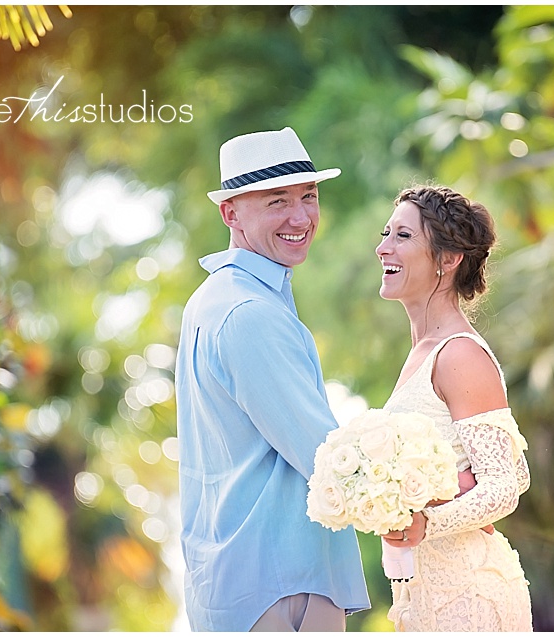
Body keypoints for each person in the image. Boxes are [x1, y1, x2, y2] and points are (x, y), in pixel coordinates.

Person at [174, 127, 370, 631]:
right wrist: (426, 496)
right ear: (231, 214)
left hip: (250, 583)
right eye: (277, 200)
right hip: (283, 586)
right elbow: (323, 454)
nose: (301, 217)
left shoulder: (217, 298)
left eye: (309, 196)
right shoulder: (249, 312)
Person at [374, 185, 533, 631]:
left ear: (448, 259)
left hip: (468, 594)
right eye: (386, 233)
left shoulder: (459, 354)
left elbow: (507, 483)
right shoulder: (420, 354)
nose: (382, 247)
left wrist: (429, 522)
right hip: (423, 590)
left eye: (403, 236)